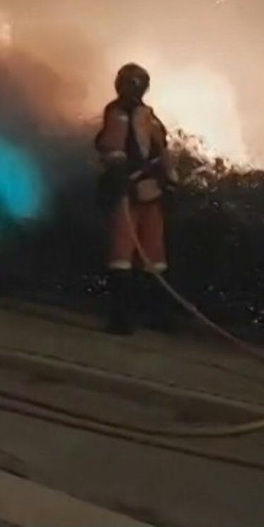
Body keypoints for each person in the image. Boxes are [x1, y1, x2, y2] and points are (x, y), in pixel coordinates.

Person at [93, 63, 180, 335]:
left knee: (122, 255)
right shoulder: (150, 117)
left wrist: (116, 180)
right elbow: (164, 152)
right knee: (155, 257)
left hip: (129, 194)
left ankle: (122, 320)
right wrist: (171, 183)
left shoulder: (117, 113)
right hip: (152, 191)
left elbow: (113, 148)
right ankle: (159, 316)